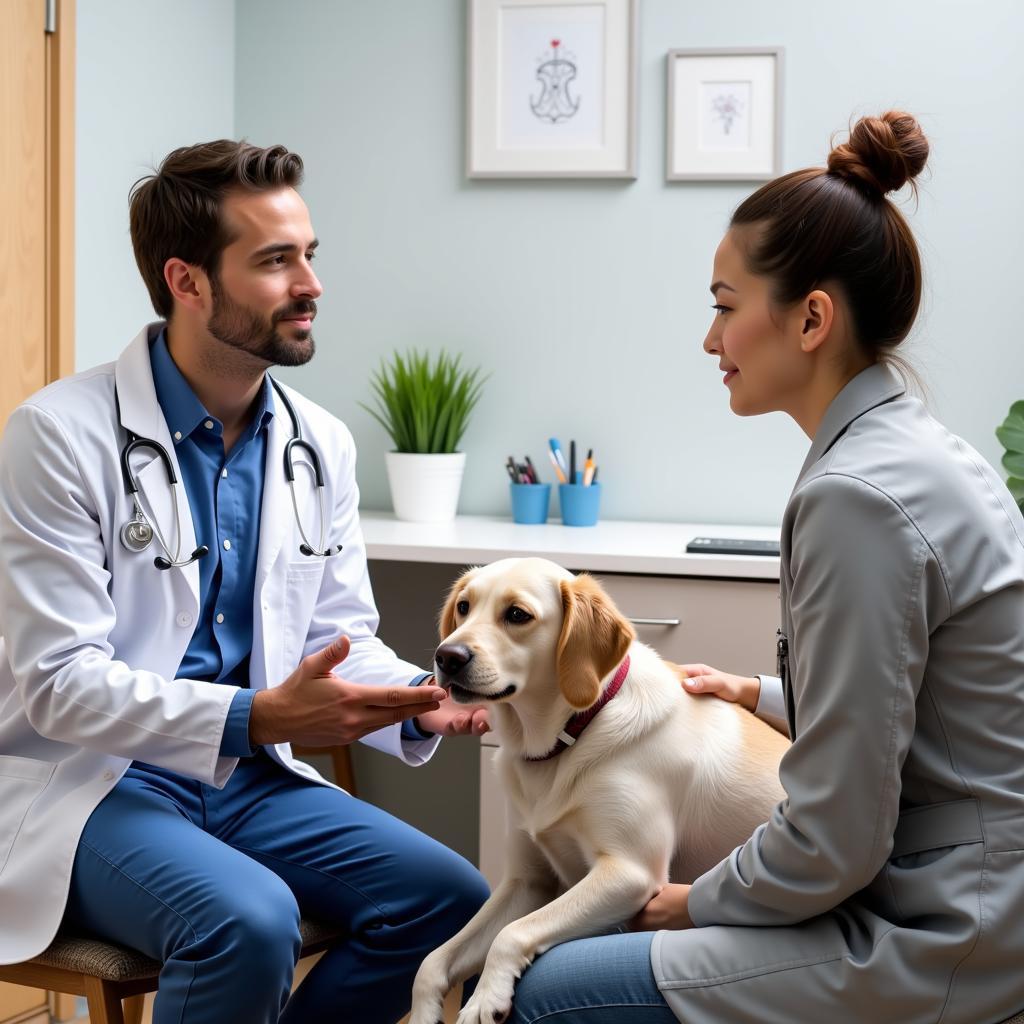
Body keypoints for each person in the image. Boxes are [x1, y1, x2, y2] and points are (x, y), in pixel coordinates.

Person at [508, 111, 1024, 1023]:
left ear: (812, 318)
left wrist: (690, 904)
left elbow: (836, 838)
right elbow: (938, 705)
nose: (712, 341)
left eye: (724, 305)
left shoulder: (856, 498)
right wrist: (761, 694)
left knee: (550, 991)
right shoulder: (919, 452)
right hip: (973, 885)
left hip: (946, 928)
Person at [0, 140, 491, 1023]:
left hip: (243, 776)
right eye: (275, 261)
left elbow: (332, 633)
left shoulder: (318, 444)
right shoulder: (57, 435)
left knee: (450, 902)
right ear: (186, 281)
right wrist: (252, 715)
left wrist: (414, 697)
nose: (311, 284)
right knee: (247, 921)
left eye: (309, 254)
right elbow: (57, 686)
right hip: (93, 780)